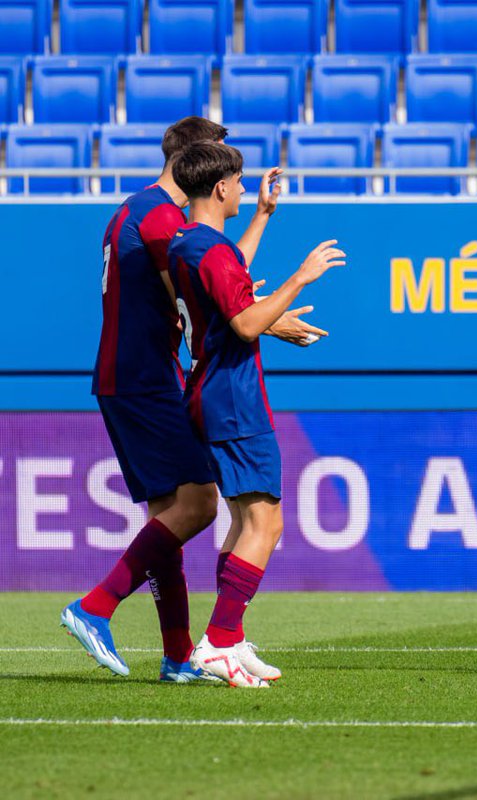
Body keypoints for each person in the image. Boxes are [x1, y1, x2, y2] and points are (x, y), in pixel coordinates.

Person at [61, 117, 322, 682]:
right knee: (200, 505)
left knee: (171, 514)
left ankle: (180, 654)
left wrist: (260, 220)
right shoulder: (160, 219)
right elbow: (206, 290)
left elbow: (218, 273)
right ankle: (99, 606)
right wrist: (272, 319)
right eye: (223, 158)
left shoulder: (151, 213)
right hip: (145, 375)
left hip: (139, 373)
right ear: (198, 162)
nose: (231, 172)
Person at [165, 141, 345, 687]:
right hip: (234, 398)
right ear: (221, 188)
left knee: (248, 519)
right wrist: (300, 277)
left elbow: (231, 271)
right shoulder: (209, 251)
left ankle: (230, 638)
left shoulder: (187, 244)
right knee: (265, 521)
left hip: (212, 391)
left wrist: (264, 216)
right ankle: (218, 641)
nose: (244, 189)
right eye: (241, 183)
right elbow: (244, 322)